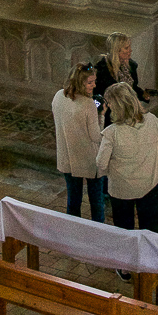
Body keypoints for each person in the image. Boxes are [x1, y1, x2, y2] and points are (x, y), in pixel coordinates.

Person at [96, 82, 158, 279]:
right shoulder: (152, 121)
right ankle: (151, 265)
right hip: (150, 184)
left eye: (110, 103)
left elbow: (101, 164)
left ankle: (125, 267)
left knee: (124, 229)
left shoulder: (112, 132)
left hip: (122, 189)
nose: (108, 106)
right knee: (150, 227)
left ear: (117, 106)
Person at [52, 62, 105, 223]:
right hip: (88, 159)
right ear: (79, 82)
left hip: (67, 156)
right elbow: (96, 136)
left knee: (73, 200)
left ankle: (73, 232)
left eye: (94, 81)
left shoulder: (58, 96)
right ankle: (99, 233)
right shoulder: (88, 104)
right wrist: (101, 115)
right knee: (96, 201)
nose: (94, 85)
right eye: (90, 82)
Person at [94, 32, 149, 128]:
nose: (130, 50)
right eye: (126, 48)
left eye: (129, 47)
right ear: (117, 50)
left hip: (130, 112)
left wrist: (142, 94)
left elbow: (132, 88)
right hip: (112, 116)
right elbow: (98, 95)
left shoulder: (130, 66)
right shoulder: (102, 70)